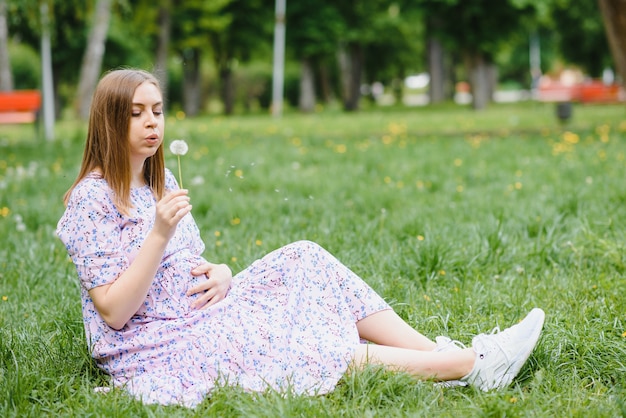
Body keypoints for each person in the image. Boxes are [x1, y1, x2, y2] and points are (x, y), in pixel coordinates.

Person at [56, 68, 545, 408]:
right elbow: (115, 312)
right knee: (290, 338)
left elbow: (193, 263)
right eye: (136, 113)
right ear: (109, 121)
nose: (151, 123)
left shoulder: (158, 183)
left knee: (304, 258)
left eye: (157, 111)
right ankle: (471, 365)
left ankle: (435, 352)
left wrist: (223, 274)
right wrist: (160, 232)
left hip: (199, 308)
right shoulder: (91, 201)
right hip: (157, 340)